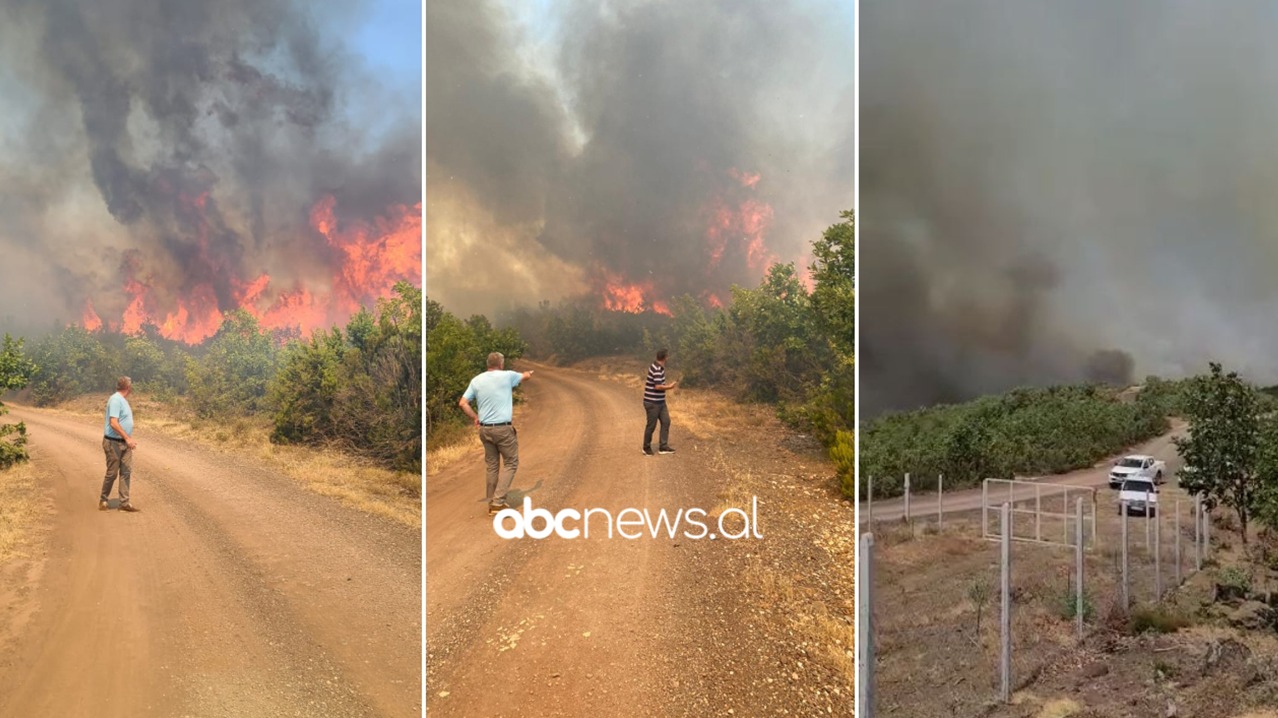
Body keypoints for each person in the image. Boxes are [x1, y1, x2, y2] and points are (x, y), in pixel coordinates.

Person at [459, 352, 534, 515]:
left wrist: (475, 417)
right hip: (503, 429)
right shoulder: (507, 376)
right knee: (511, 463)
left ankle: (491, 502)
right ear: (501, 364)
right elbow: (525, 377)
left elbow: (463, 403)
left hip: (485, 430)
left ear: (488, 364)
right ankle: (498, 502)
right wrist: (529, 373)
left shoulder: (476, 380)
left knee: (492, 466)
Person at [101, 376, 140, 512]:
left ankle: (124, 503)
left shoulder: (122, 400)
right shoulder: (116, 400)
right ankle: (103, 500)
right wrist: (127, 438)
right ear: (128, 387)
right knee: (112, 473)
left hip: (124, 442)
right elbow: (113, 423)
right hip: (113, 442)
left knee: (126, 471)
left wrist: (127, 439)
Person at [642, 348, 677, 456]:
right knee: (651, 426)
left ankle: (663, 446)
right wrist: (669, 387)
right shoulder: (656, 369)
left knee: (666, 421)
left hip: (660, 402)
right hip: (652, 402)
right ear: (665, 357)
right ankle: (646, 448)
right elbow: (657, 386)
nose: (668, 357)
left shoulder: (659, 367)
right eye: (667, 356)